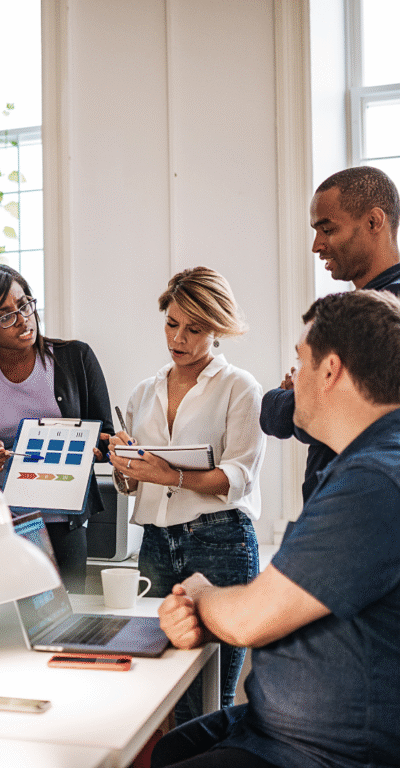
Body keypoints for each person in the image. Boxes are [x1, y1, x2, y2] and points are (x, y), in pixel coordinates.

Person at [153, 290, 400, 768]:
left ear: (329, 371)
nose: (292, 379)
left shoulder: (374, 481)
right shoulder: (362, 464)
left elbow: (250, 619)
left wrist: (200, 597)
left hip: (322, 751)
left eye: (300, 361)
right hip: (276, 726)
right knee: (169, 747)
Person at [108, 267, 265, 723]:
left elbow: (237, 478)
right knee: (158, 691)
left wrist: (169, 475)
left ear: (217, 329)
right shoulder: (144, 393)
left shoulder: (240, 387)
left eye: (194, 329)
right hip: (155, 546)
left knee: (211, 697)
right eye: (172, 324)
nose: (178, 338)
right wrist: (124, 467)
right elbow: (133, 485)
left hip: (220, 542)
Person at [0, 264, 113, 593]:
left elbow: (105, 438)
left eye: (25, 305)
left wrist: (100, 447)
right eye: (5, 316)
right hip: (0, 529)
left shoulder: (76, 358)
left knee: (65, 618)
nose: (23, 320)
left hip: (65, 525)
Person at [261, 166, 400, 501]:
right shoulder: (355, 307)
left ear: (374, 222)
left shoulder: (381, 310)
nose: (316, 246)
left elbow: (284, 414)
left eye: (327, 229)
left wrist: (292, 395)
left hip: (360, 504)